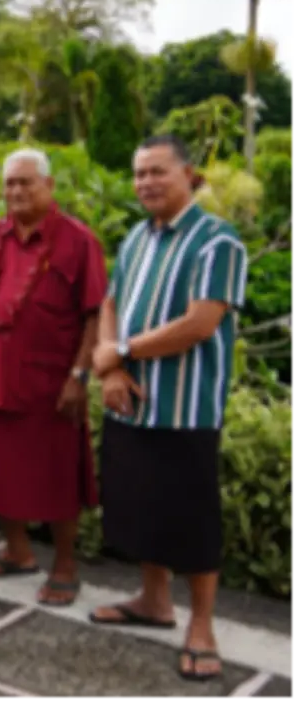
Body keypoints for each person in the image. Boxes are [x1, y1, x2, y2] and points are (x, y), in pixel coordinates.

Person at [89, 134, 248, 683]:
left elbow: (199, 324)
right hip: (130, 404)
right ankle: (154, 601)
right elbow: (110, 302)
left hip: (186, 409)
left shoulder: (217, 242)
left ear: (189, 176)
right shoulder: (137, 236)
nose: (146, 184)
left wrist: (123, 352)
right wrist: (109, 368)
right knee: (140, 508)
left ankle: (201, 626)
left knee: (193, 520)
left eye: (158, 172)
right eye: (139, 174)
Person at [0, 149, 107, 605]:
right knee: (0, 470)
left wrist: (80, 375)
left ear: (49, 187)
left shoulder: (78, 242)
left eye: (27, 183)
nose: (17, 192)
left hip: (52, 382)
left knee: (57, 475)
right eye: (10, 184)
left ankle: (65, 565)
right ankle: (17, 551)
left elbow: (95, 314)